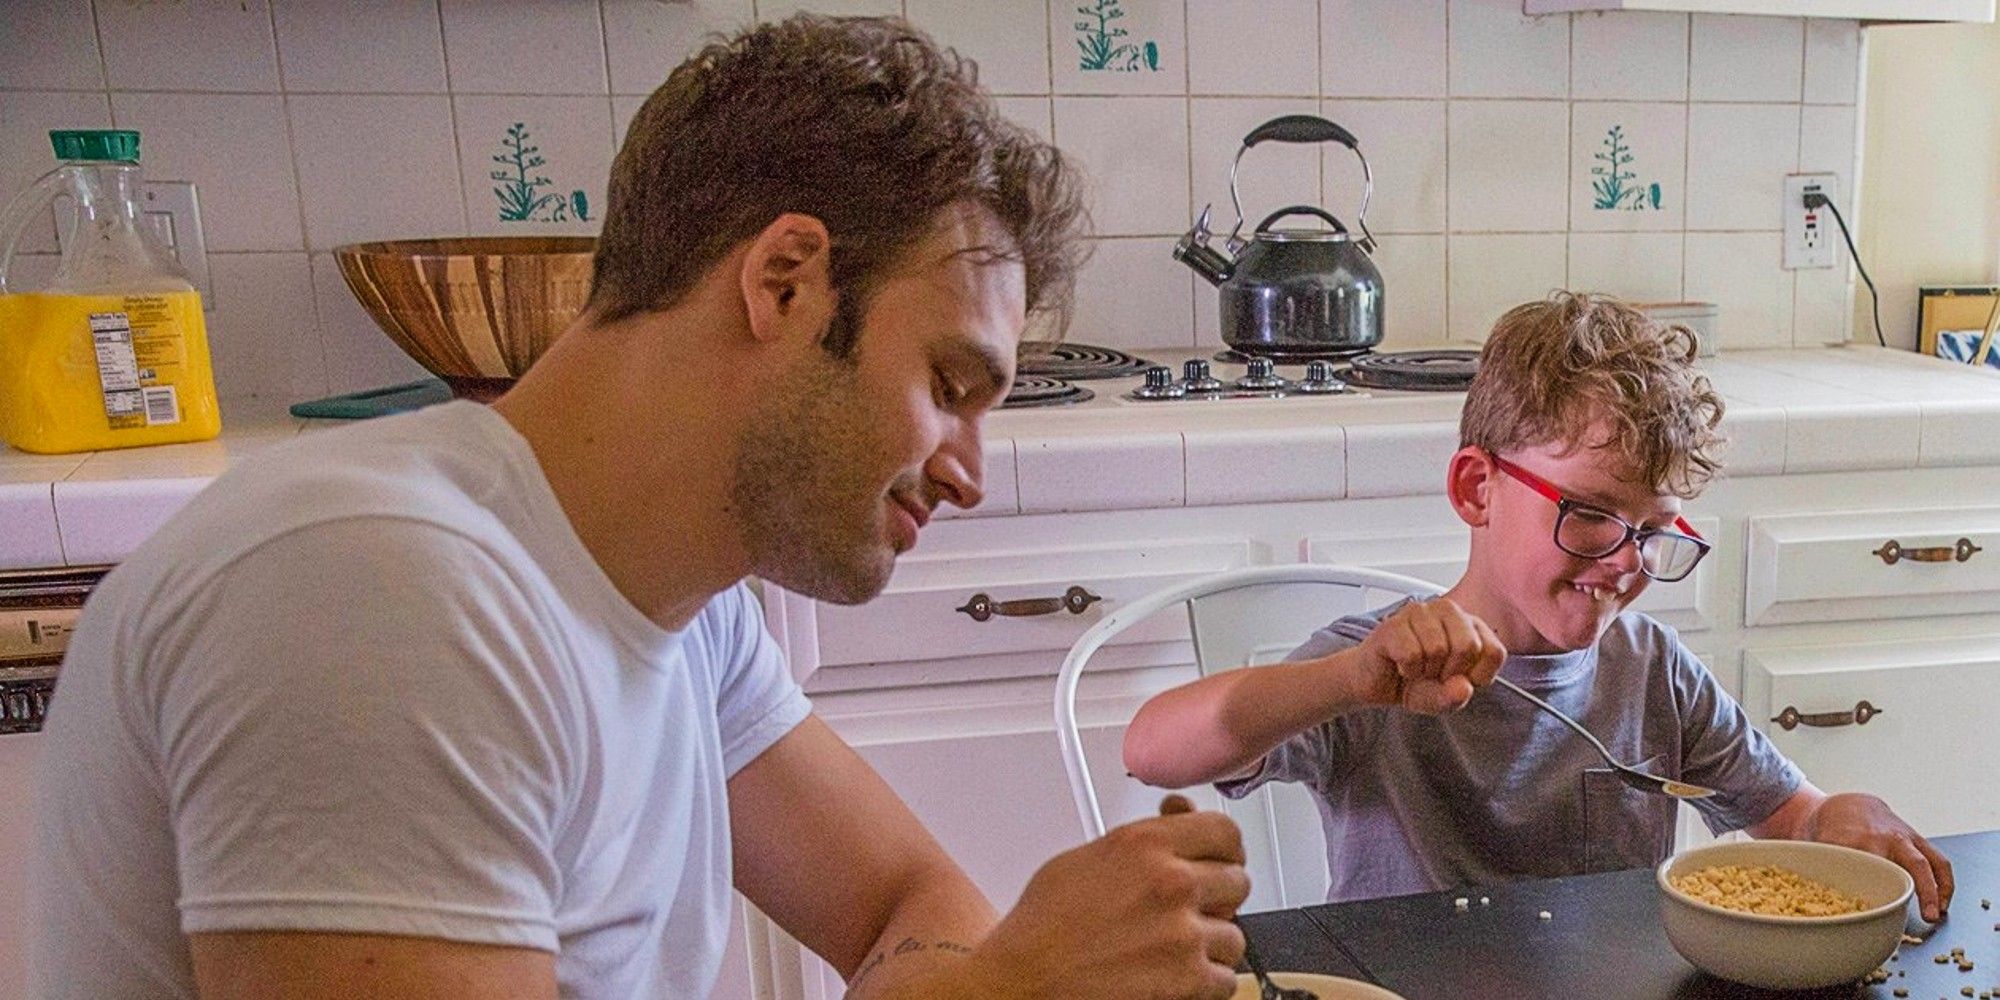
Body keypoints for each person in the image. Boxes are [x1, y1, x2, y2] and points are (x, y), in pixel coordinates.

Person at [31, 16, 1253, 1000]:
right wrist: (1011, 990)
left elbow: (901, 905)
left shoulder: (682, 610)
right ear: (784, 281)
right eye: (947, 385)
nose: (966, 470)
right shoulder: (381, 587)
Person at [1122, 292, 1955, 921]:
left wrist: (1841, 813)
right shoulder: (1381, 669)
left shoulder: (1654, 673)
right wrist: (1347, 679)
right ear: (1478, 488)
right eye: (1590, 513)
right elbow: (1153, 747)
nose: (1627, 562)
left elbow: (1793, 816)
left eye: (1654, 530)